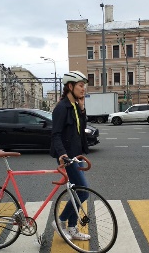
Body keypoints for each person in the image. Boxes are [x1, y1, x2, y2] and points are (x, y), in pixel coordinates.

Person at [50, 70, 91, 241]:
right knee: (83, 192)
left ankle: (72, 228)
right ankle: (60, 221)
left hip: (76, 155)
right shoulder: (61, 108)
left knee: (76, 192)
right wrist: (62, 154)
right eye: (81, 86)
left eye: (84, 86)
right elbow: (55, 134)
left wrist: (82, 110)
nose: (84, 89)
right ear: (70, 86)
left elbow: (80, 129)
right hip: (68, 157)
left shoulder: (74, 106)